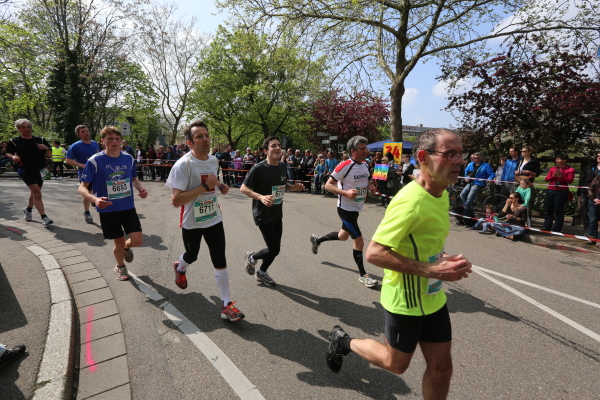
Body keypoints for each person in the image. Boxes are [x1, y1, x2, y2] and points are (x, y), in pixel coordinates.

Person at [325, 129, 472, 400]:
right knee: (396, 364)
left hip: (433, 296)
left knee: (442, 369)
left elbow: (424, 242)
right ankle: (343, 341)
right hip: (406, 299)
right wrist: (430, 269)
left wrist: (442, 261)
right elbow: (374, 253)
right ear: (423, 157)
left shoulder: (441, 193)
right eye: (450, 154)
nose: (459, 160)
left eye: (460, 153)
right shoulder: (410, 202)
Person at [165, 120, 244, 321]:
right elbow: (176, 200)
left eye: (206, 135)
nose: (205, 139)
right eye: (199, 136)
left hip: (213, 217)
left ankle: (227, 305)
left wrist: (220, 186)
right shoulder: (183, 165)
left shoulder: (213, 160)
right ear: (190, 143)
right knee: (192, 255)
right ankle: (180, 267)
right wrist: (204, 187)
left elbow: (212, 182)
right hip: (192, 221)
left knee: (220, 258)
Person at [78, 126, 148, 280]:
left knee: (137, 241)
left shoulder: (128, 158)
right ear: (103, 141)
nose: (114, 142)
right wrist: (95, 199)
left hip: (128, 207)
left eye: (117, 139)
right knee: (118, 243)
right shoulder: (95, 161)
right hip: (108, 210)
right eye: (110, 139)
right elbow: (82, 187)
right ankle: (120, 267)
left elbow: (134, 178)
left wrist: (141, 189)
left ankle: (127, 247)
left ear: (121, 141)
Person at [310, 136, 378, 288]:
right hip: (345, 209)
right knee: (359, 241)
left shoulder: (365, 164)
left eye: (366, 148)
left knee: (343, 236)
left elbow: (367, 180)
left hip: (356, 209)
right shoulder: (344, 165)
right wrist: (345, 193)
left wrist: (371, 186)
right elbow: (328, 185)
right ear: (353, 151)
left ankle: (317, 240)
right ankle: (363, 275)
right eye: (362, 149)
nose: (366, 151)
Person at [241, 136, 305, 287]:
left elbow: (284, 184)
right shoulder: (258, 168)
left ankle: (261, 272)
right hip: (263, 214)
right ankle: (253, 256)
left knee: (275, 249)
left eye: (279, 146)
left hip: (277, 212)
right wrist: (261, 197)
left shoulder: (282, 166)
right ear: (266, 151)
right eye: (273, 146)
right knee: (274, 249)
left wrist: (294, 188)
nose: (277, 148)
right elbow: (243, 188)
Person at [5, 119, 54, 226]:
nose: (27, 129)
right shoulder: (14, 141)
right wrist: (13, 156)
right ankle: (44, 217)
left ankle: (28, 209)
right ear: (19, 129)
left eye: (29, 127)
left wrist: (46, 148)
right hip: (25, 169)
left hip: (41, 169)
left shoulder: (41, 140)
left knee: (35, 192)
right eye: (24, 127)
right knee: (37, 193)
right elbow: (8, 152)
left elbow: (50, 155)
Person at [66, 124, 100, 224]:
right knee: (87, 194)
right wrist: (82, 165)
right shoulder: (75, 146)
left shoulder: (95, 144)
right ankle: (86, 212)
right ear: (78, 135)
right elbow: (68, 160)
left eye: (87, 131)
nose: (86, 133)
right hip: (85, 174)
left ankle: (95, 202)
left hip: (97, 173)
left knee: (99, 191)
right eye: (83, 132)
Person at [542, 154, 575, 233]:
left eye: (559, 159)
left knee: (558, 210)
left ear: (564, 160)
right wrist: (553, 176)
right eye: (556, 159)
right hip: (551, 189)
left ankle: (557, 228)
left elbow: (570, 180)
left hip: (561, 191)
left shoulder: (570, 169)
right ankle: (547, 226)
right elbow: (547, 179)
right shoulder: (553, 168)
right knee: (548, 209)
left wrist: (561, 176)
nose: (557, 161)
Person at [578, 152, 600, 238]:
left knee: (595, 215)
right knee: (586, 213)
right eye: (597, 156)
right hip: (586, 193)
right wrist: (579, 193)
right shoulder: (589, 168)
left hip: (598, 194)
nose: (598, 157)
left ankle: (595, 234)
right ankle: (587, 231)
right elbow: (581, 180)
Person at [586, 174, 600, 247]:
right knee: (593, 220)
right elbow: (590, 189)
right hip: (594, 200)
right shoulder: (597, 177)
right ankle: (592, 236)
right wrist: (594, 199)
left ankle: (599, 240)